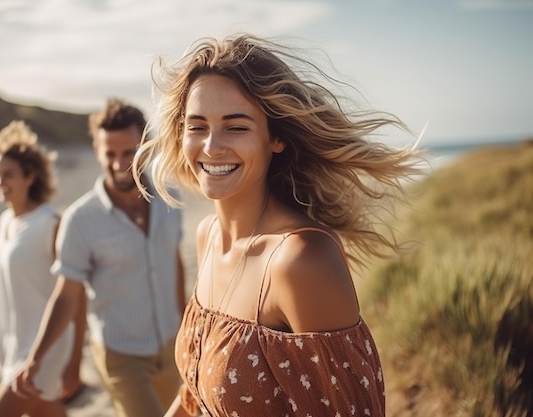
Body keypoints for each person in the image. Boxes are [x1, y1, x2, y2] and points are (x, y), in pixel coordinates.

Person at [133, 34, 423, 417]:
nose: (212, 146)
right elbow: (197, 394)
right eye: (197, 126)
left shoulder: (301, 261)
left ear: (277, 138)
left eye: (236, 127)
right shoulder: (208, 237)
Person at [14, 98, 186, 417]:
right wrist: (37, 358)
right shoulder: (80, 219)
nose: (119, 164)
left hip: (173, 345)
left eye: (128, 152)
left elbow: (173, 262)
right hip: (122, 355)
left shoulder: (169, 197)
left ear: (145, 147)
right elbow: (66, 297)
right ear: (97, 150)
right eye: (110, 154)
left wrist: (187, 327)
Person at [0, 120, 84, 417]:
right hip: (13, 343)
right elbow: (8, 288)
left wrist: (74, 363)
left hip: (43, 348)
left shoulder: (51, 224)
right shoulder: (6, 221)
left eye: (7, 174)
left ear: (30, 177)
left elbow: (76, 295)